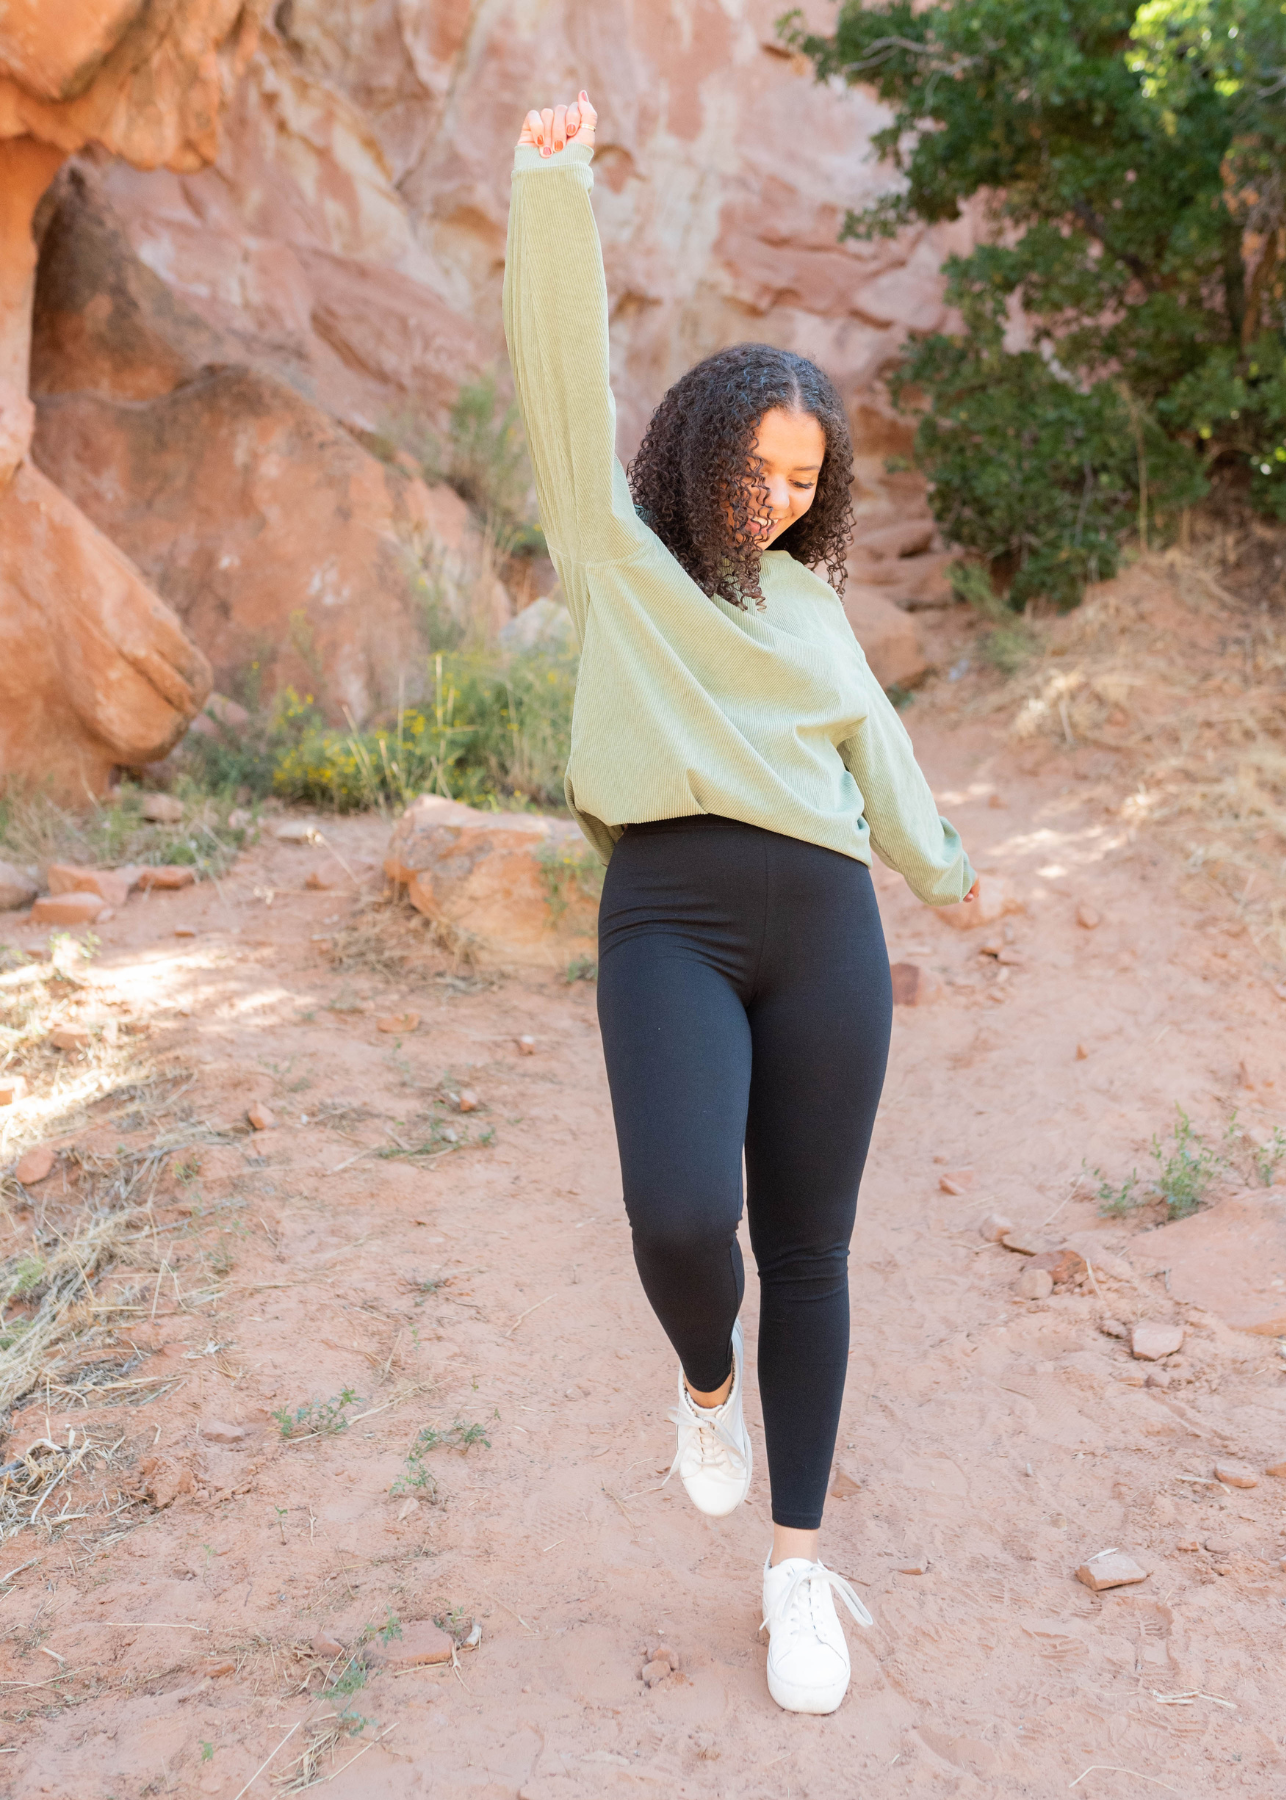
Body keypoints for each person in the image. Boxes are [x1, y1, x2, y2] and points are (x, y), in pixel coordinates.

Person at [504, 91, 977, 1717]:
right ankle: (702, 1380)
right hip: (669, 915)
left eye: (804, 477)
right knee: (680, 1219)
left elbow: (874, 739)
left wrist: (941, 872)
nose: (777, 497)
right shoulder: (620, 546)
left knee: (816, 1250)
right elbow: (564, 377)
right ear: (706, 444)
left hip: (827, 925)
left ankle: (794, 1575)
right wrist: (553, 186)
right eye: (759, 467)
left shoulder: (809, 598)